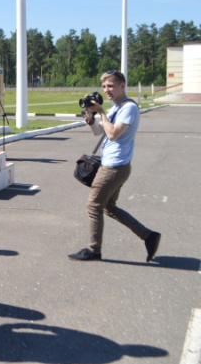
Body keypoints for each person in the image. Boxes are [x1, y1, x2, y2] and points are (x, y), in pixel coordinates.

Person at [68, 70, 161, 262]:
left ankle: (94, 250)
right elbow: (99, 132)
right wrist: (91, 118)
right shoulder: (116, 107)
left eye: (110, 86)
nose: (106, 90)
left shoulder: (128, 108)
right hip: (113, 165)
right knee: (108, 207)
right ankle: (149, 236)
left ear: (122, 85)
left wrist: (101, 111)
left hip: (114, 168)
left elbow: (112, 134)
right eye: (104, 86)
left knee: (93, 206)